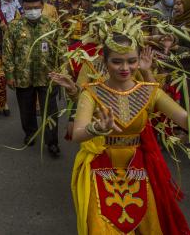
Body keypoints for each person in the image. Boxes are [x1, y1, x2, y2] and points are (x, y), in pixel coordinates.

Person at [71, 33, 190, 235]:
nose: (125, 68)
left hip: (138, 168)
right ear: (104, 62)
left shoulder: (150, 92)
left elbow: (183, 119)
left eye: (131, 61)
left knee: (150, 225)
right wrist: (97, 129)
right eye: (117, 62)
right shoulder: (91, 93)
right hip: (102, 167)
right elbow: (77, 134)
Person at [2, 0, 65, 157]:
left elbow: (62, 49)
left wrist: (62, 73)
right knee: (26, 109)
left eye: (35, 7)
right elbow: (7, 52)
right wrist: (9, 75)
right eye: (28, 8)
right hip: (23, 76)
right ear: (23, 6)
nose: (32, 11)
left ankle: (52, 142)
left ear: (42, 5)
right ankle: (30, 133)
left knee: (50, 110)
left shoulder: (51, 24)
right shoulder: (14, 26)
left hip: (48, 76)